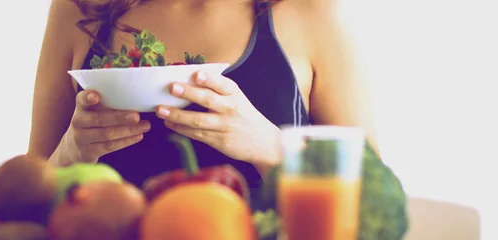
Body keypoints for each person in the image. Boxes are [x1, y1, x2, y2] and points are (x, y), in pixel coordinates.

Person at [27, 0, 380, 193]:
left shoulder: (311, 10)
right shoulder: (78, 9)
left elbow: (374, 192)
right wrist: (70, 153)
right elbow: (23, 198)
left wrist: (271, 148)